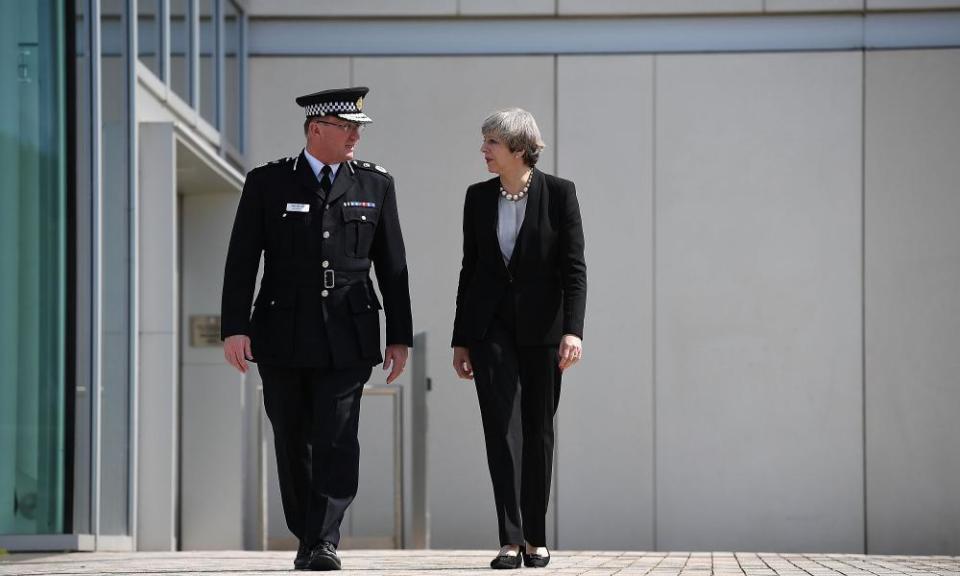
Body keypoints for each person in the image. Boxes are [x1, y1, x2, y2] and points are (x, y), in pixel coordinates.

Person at [220, 87, 412, 571]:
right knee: (291, 435)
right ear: (315, 129)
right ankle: (307, 533)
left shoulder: (375, 185)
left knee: (338, 435)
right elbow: (242, 260)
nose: (354, 136)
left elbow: (393, 266)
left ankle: (325, 538)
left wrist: (399, 336)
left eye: (358, 129)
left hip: (348, 332)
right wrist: (235, 327)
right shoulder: (267, 183)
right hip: (283, 332)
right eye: (346, 127)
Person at [452, 108, 586, 569]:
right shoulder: (477, 198)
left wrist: (574, 330)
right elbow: (469, 271)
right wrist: (462, 340)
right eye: (484, 140)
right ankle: (509, 539)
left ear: (517, 148)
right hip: (490, 331)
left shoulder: (559, 194)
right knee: (500, 431)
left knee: (538, 431)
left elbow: (574, 269)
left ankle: (535, 536)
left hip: (544, 332)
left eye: (491, 142)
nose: (484, 150)